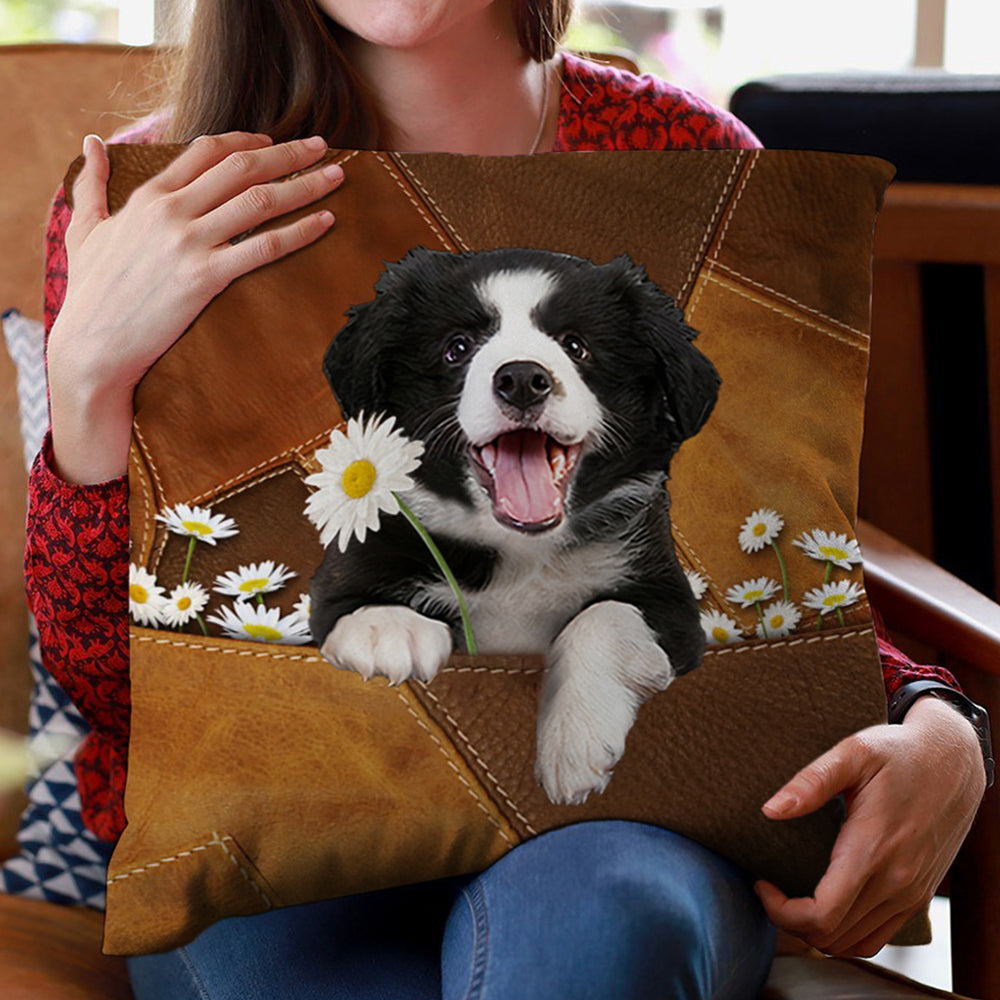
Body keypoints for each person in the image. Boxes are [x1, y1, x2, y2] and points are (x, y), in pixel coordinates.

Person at [24, 1, 988, 997]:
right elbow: (106, 681)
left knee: (601, 923)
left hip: (621, 821)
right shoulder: (155, 203)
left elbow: (754, 551)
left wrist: (934, 712)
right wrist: (89, 383)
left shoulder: (691, 165)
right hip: (273, 818)